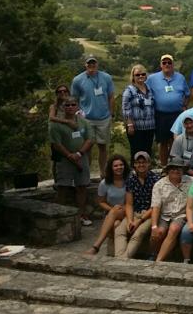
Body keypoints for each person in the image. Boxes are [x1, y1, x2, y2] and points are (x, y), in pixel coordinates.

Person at [49, 97, 94, 226]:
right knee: (62, 188)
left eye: (73, 104)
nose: (70, 107)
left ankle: (82, 215)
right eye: (67, 105)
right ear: (63, 107)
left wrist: (79, 153)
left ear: (77, 106)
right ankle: (58, 216)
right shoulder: (56, 125)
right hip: (64, 160)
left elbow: (90, 139)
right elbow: (56, 144)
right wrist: (69, 155)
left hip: (82, 158)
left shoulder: (84, 122)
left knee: (82, 187)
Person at [70, 54, 115, 177]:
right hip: (86, 119)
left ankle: (103, 172)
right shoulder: (78, 80)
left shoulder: (106, 77)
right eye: (89, 63)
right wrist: (78, 116)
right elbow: (74, 99)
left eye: (93, 63)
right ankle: (86, 174)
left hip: (104, 118)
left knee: (103, 147)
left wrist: (111, 113)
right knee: (87, 148)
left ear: (97, 63)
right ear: (85, 64)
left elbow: (111, 96)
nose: (91, 65)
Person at [114, 151, 160, 259]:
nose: (141, 165)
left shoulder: (156, 180)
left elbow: (155, 205)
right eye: (138, 162)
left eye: (144, 162)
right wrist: (130, 220)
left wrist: (139, 221)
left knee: (138, 233)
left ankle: (123, 259)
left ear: (149, 163)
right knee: (120, 231)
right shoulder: (131, 180)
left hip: (149, 214)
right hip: (134, 212)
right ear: (134, 164)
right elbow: (129, 204)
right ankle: (119, 257)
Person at [148, 55, 191, 166]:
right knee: (162, 142)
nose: (167, 65)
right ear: (161, 65)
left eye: (169, 63)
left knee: (175, 141)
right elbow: (145, 92)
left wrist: (184, 106)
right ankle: (163, 166)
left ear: (173, 64)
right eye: (164, 63)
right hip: (160, 114)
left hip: (177, 114)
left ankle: (174, 165)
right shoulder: (152, 78)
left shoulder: (180, 77)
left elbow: (187, 94)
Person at [151, 158, 193, 262]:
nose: (176, 171)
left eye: (178, 168)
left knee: (174, 229)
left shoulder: (191, 181)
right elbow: (156, 206)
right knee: (159, 232)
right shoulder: (159, 185)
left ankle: (158, 261)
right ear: (168, 170)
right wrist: (154, 226)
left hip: (180, 215)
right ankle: (155, 255)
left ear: (183, 170)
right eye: (173, 168)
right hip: (164, 216)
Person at [85, 155, 129, 255]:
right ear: (111, 168)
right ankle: (116, 253)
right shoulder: (104, 183)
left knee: (115, 214)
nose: (119, 167)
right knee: (116, 224)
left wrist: (122, 208)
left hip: (128, 210)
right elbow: (101, 201)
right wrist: (111, 209)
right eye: (116, 166)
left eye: (121, 165)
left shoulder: (130, 180)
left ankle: (96, 246)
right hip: (112, 212)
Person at [122, 64, 156, 161]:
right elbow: (125, 108)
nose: (140, 76)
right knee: (137, 152)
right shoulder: (129, 90)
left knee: (147, 152)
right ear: (133, 76)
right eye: (137, 75)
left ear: (146, 76)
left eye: (143, 74)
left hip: (150, 126)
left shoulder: (150, 89)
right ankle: (134, 173)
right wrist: (129, 124)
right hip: (136, 127)